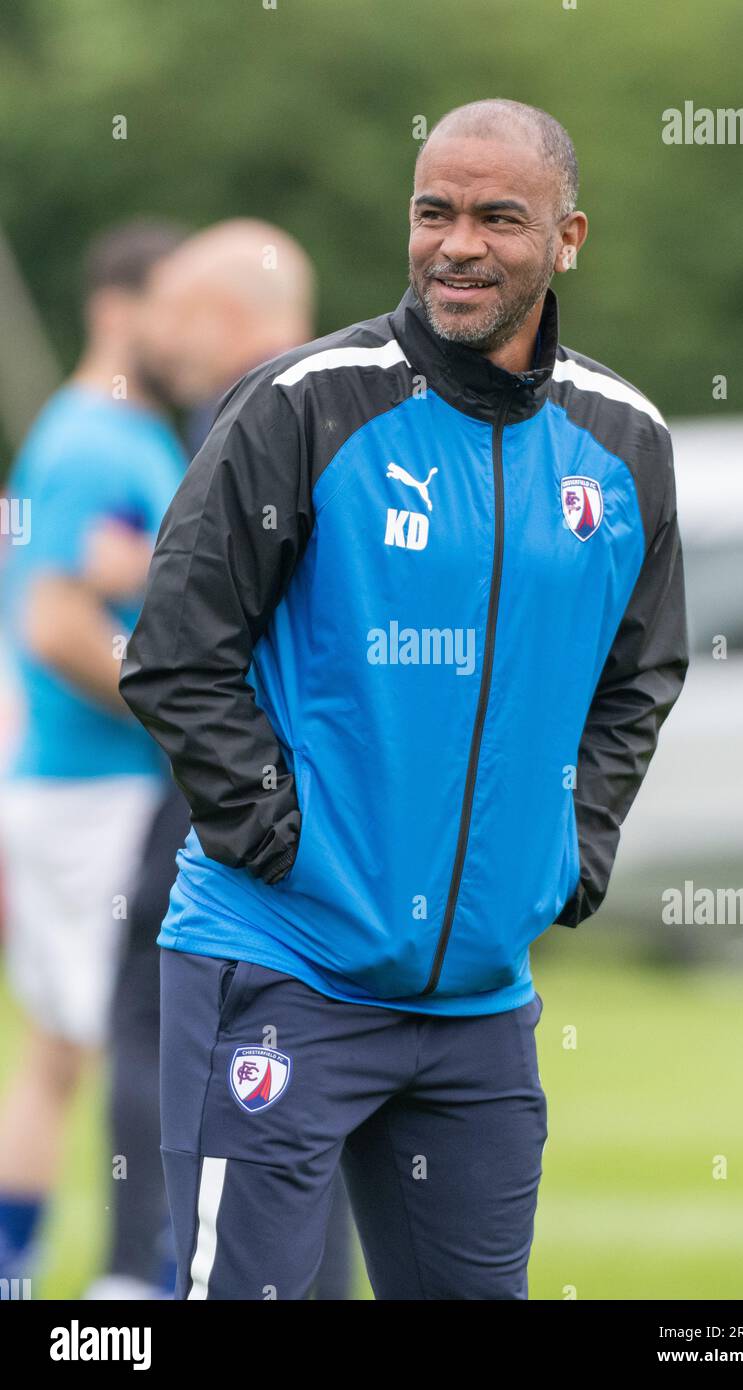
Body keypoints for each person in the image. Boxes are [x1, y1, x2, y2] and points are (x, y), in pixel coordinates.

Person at [120, 99, 689, 1300]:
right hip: (280, 966)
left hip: (481, 1006)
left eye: (497, 217)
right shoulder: (303, 404)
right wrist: (283, 835)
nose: (458, 245)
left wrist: (570, 849)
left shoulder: (623, 441)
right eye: (434, 213)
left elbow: (638, 674)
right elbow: (176, 652)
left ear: (567, 236)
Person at [95, 219, 354, 1300]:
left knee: (166, 1024)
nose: (159, 335)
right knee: (317, 1064)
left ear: (230, 317)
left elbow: (200, 640)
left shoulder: (249, 413)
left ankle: (132, 1278)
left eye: (179, 310)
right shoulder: (363, 412)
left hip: (238, 802)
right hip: (325, 810)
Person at [0, 220, 187, 1284]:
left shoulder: (129, 435)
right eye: (174, 304)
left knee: (61, 1051)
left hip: (79, 789)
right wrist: (192, 712)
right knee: (139, 1047)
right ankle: (134, 1279)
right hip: (92, 791)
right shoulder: (94, 442)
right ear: (119, 309)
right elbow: (55, 627)